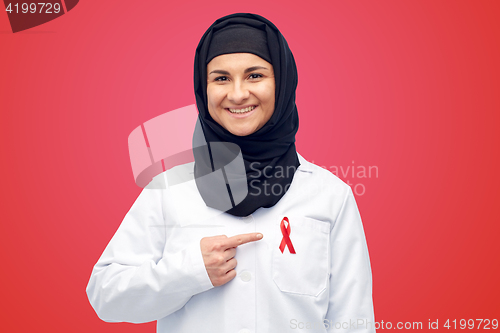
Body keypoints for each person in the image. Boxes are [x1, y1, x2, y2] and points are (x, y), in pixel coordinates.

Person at [86, 13, 375, 333]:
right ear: (202, 88)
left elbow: (353, 322)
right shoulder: (168, 190)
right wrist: (190, 271)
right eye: (221, 78)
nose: (237, 94)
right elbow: (105, 294)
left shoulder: (330, 195)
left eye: (255, 75)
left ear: (282, 83)